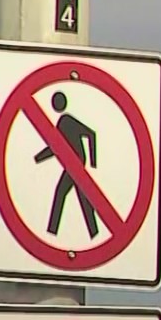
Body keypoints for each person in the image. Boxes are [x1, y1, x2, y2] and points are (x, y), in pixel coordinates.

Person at [33, 91, 100, 238]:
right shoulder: (62, 123)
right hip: (73, 165)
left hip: (76, 165)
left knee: (61, 192)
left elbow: (91, 134)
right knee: (83, 198)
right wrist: (38, 158)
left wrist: (93, 162)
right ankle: (94, 232)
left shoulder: (66, 121)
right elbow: (55, 147)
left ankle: (52, 231)